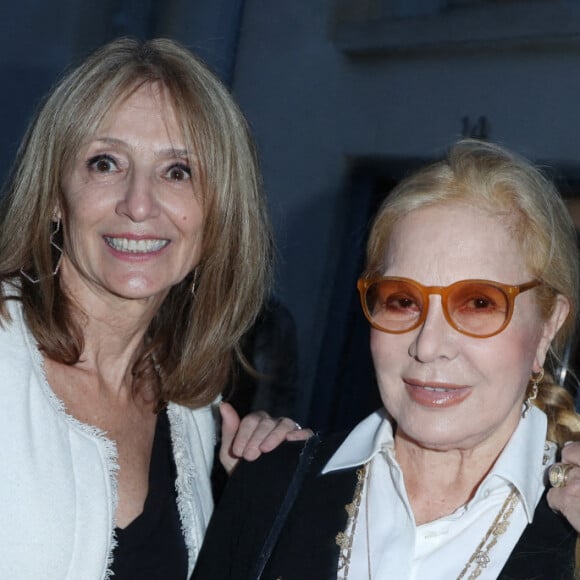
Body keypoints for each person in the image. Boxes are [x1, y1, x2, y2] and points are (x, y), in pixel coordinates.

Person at [193, 139, 580, 579]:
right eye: (402, 300)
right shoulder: (273, 487)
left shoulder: (572, 531)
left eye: (477, 303)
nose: (428, 345)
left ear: (548, 326)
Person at [0, 37, 307, 579]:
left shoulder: (193, 409)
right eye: (105, 163)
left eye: (177, 171)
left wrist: (255, 498)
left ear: (216, 214)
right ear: (53, 195)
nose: (139, 204)